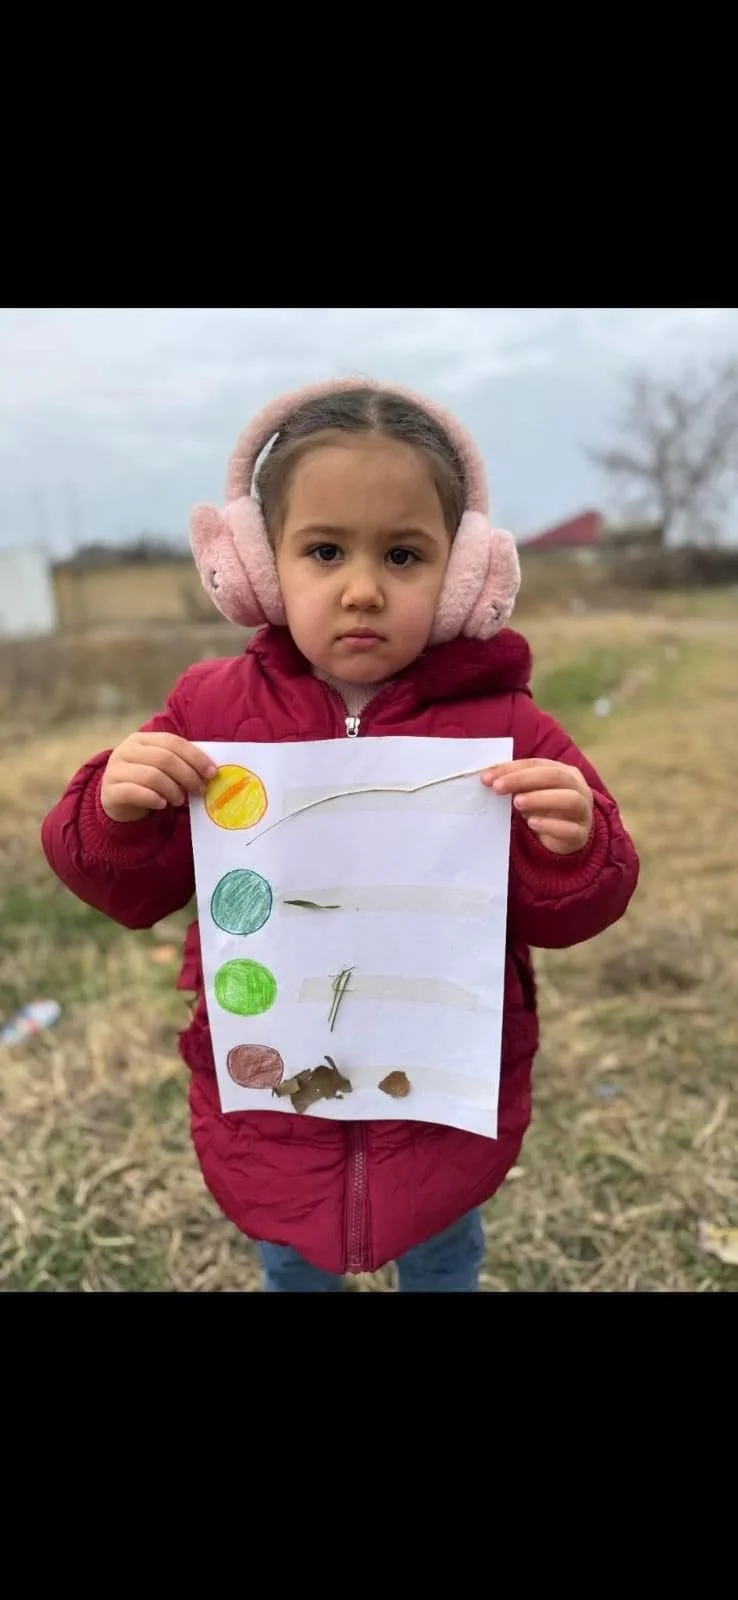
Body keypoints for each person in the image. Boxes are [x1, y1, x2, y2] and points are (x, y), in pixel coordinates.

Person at [41, 378, 640, 1292]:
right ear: (255, 562)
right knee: (291, 1262)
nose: (362, 590)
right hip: (275, 1111)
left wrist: (574, 845)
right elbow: (128, 888)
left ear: (465, 572)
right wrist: (115, 812)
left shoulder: (506, 729)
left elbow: (578, 907)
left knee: (444, 1252)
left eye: (404, 556)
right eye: (324, 551)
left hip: (437, 1102)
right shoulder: (208, 715)